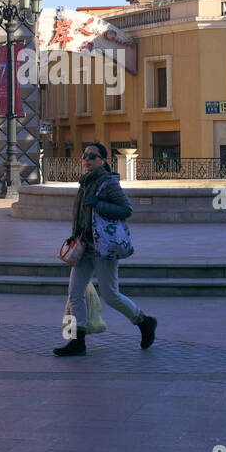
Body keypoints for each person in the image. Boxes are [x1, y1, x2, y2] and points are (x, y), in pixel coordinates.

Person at [54, 142, 157, 356]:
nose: (87, 159)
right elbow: (81, 214)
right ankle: (77, 341)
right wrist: (76, 235)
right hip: (84, 246)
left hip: (104, 248)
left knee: (110, 295)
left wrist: (99, 203)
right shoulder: (84, 182)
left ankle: (144, 321)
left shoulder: (108, 183)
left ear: (102, 160)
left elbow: (126, 209)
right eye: (84, 155)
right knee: (74, 293)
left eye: (92, 156)